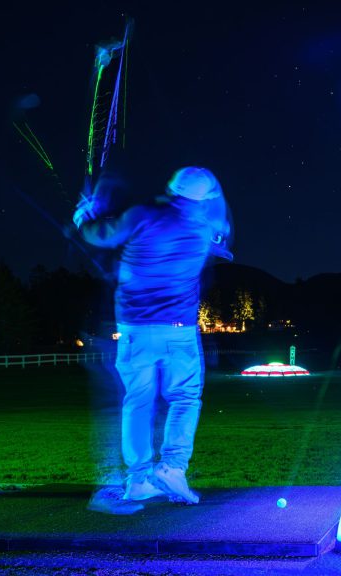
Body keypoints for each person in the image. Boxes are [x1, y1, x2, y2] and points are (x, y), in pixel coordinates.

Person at [75, 166, 231, 506]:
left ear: (171, 188)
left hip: (134, 330)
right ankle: (173, 468)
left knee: (138, 403)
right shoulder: (204, 228)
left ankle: (138, 480)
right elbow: (221, 235)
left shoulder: (142, 215)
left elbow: (101, 236)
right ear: (202, 200)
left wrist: (84, 217)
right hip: (179, 331)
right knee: (185, 399)